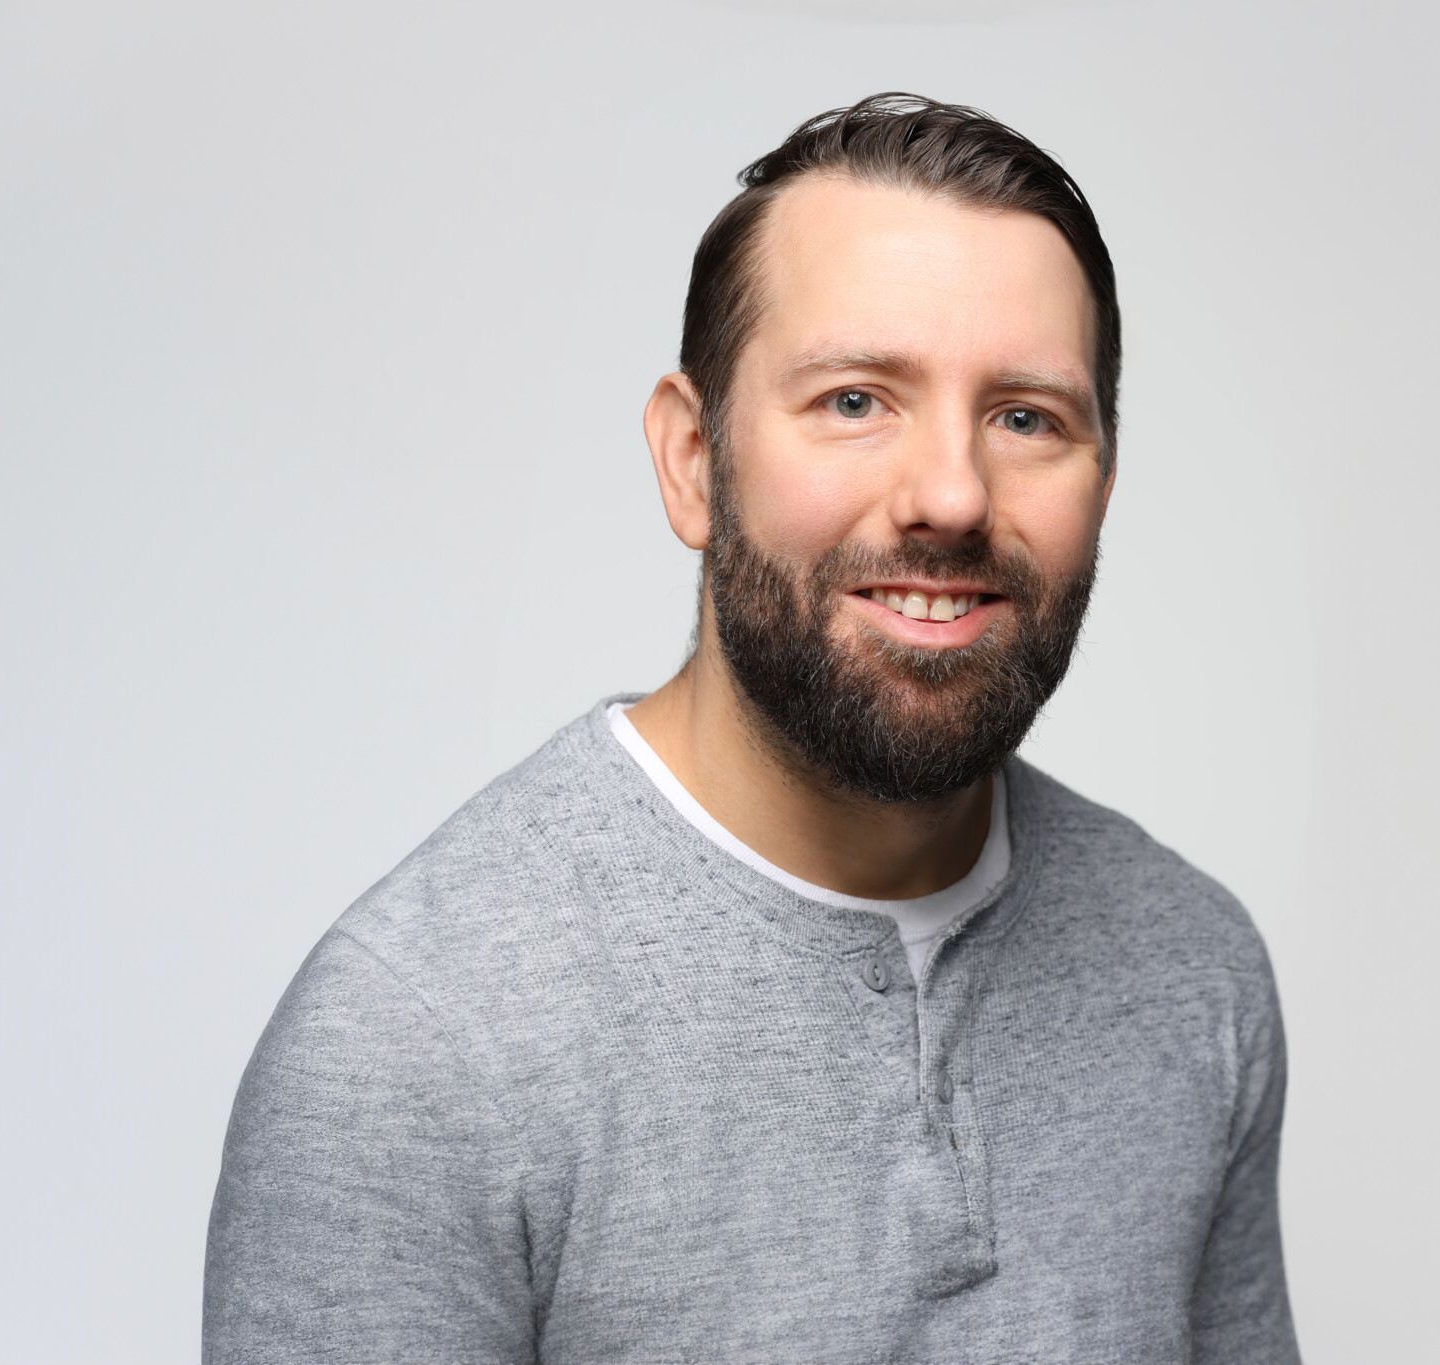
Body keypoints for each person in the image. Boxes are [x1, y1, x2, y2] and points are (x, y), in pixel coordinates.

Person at [204, 92, 1300, 1364]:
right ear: (690, 461)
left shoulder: (1191, 967)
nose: (949, 492)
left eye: (1024, 417)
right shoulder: (417, 1047)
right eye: (853, 400)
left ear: (1101, 480)